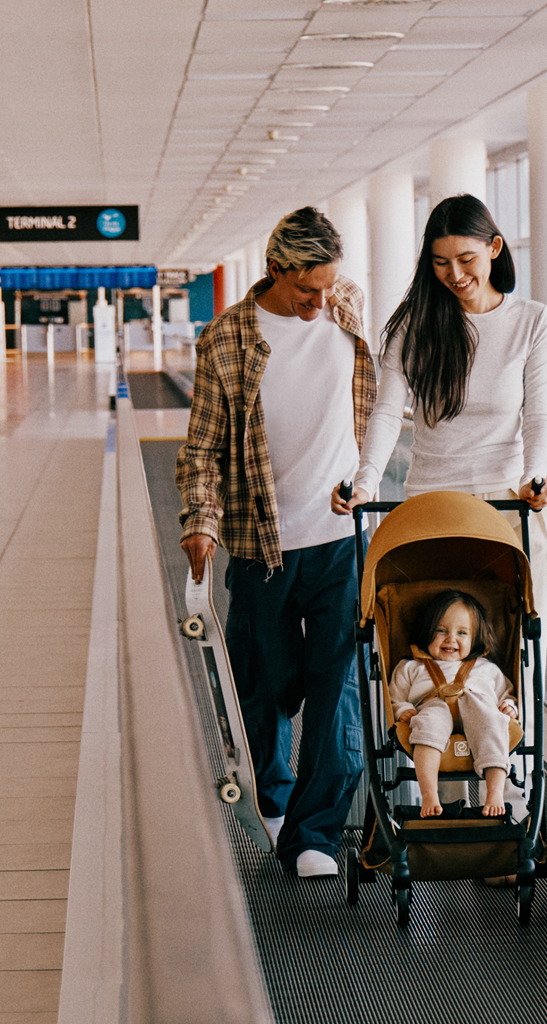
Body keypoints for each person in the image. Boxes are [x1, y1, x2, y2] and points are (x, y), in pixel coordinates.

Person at [330, 193, 547, 818]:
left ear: (495, 249)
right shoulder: (413, 327)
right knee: (424, 653)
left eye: (465, 259)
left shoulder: (532, 321)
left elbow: (538, 415)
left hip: (509, 510)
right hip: (434, 509)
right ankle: (429, 797)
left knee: (515, 651)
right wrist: (366, 479)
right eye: (439, 262)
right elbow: (385, 413)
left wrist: (536, 477)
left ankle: (507, 798)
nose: (454, 275)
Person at [175, 206, 376, 878]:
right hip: (263, 546)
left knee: (335, 687)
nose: (320, 303)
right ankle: (273, 800)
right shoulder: (227, 339)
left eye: (328, 288)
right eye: (305, 292)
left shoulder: (346, 305)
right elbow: (200, 448)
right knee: (263, 687)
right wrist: (200, 522)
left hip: (341, 540)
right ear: (275, 271)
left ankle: (316, 832)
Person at [390, 591, 517, 818]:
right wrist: (402, 709)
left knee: (493, 721)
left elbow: (506, 693)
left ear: (475, 638)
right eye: (441, 630)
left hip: (478, 711)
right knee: (427, 725)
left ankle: (495, 792)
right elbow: (395, 696)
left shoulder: (485, 668)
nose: (451, 639)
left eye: (462, 633)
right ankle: (429, 794)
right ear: (427, 631)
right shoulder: (411, 666)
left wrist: (509, 705)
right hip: (433, 707)